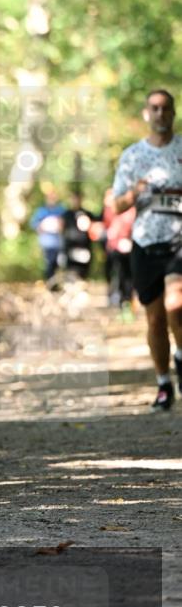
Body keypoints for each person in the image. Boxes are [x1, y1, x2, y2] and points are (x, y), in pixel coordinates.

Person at [112, 89, 182, 410]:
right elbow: (117, 204)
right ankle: (164, 383)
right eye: (154, 108)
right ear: (146, 114)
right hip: (145, 242)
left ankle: (181, 359)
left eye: (166, 108)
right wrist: (135, 192)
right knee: (155, 320)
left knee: (176, 305)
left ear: (173, 113)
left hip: (179, 240)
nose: (160, 113)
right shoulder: (132, 156)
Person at [102, 187, 136, 315]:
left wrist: (129, 240)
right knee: (114, 275)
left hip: (128, 249)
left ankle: (127, 303)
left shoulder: (131, 210)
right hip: (113, 248)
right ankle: (117, 300)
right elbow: (107, 227)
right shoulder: (109, 211)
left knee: (127, 277)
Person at [29, 188, 65, 282]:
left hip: (59, 241)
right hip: (47, 242)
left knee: (59, 262)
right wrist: (41, 226)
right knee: (49, 263)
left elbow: (66, 223)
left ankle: (57, 282)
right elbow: (34, 224)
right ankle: (50, 283)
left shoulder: (61, 210)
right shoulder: (41, 211)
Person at [59, 192, 96, 281]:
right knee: (70, 272)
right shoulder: (66, 214)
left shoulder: (88, 214)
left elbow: (95, 229)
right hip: (69, 248)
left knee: (83, 272)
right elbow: (61, 229)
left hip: (84, 248)